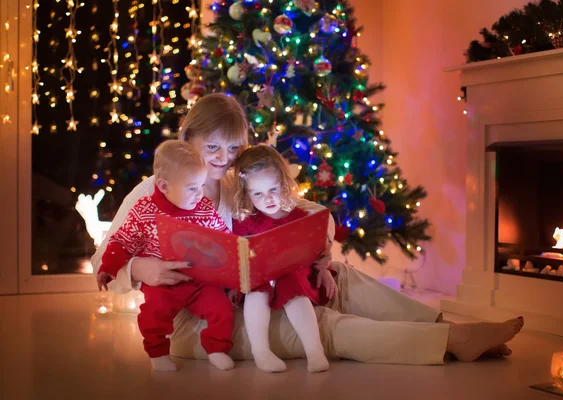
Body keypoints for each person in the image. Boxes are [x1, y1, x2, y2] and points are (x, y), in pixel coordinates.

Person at [91, 93, 524, 366]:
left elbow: (310, 211)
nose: (224, 158)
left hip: (247, 296)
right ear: (188, 139)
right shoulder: (155, 191)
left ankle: (448, 327)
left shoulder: (238, 182)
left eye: (234, 148)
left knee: (339, 277)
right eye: (212, 147)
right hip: (195, 324)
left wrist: (318, 250)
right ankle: (451, 341)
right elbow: (102, 261)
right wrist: (139, 268)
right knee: (318, 323)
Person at [97, 140, 235, 372]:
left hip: (200, 281)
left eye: (201, 185)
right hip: (163, 283)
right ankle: (158, 352)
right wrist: (108, 268)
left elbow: (223, 239)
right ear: (163, 186)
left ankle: (217, 348)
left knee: (221, 309)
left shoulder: (203, 207)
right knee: (154, 313)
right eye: (192, 187)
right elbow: (121, 241)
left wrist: (232, 264)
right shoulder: (144, 210)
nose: (200, 193)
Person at [231, 145, 335, 373]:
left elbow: (316, 251)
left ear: (284, 184)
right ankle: (261, 352)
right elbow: (236, 253)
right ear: (246, 193)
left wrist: (325, 268)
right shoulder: (245, 220)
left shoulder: (299, 217)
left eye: (273, 189)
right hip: (260, 276)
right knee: (256, 290)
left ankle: (314, 351)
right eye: (257, 193)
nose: (267, 198)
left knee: (294, 290)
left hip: (291, 273)